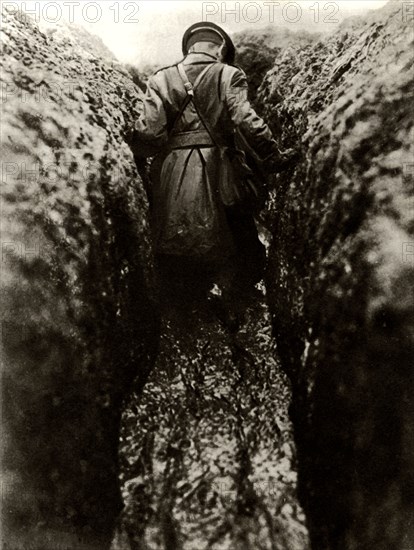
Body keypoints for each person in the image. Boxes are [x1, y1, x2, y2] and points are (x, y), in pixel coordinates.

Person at [129, 22, 294, 325]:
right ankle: (234, 307)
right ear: (220, 49)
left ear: (190, 48)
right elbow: (246, 121)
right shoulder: (229, 74)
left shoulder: (161, 78)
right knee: (240, 236)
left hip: (171, 173)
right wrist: (273, 157)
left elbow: (150, 135)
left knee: (173, 238)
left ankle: (183, 313)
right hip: (220, 170)